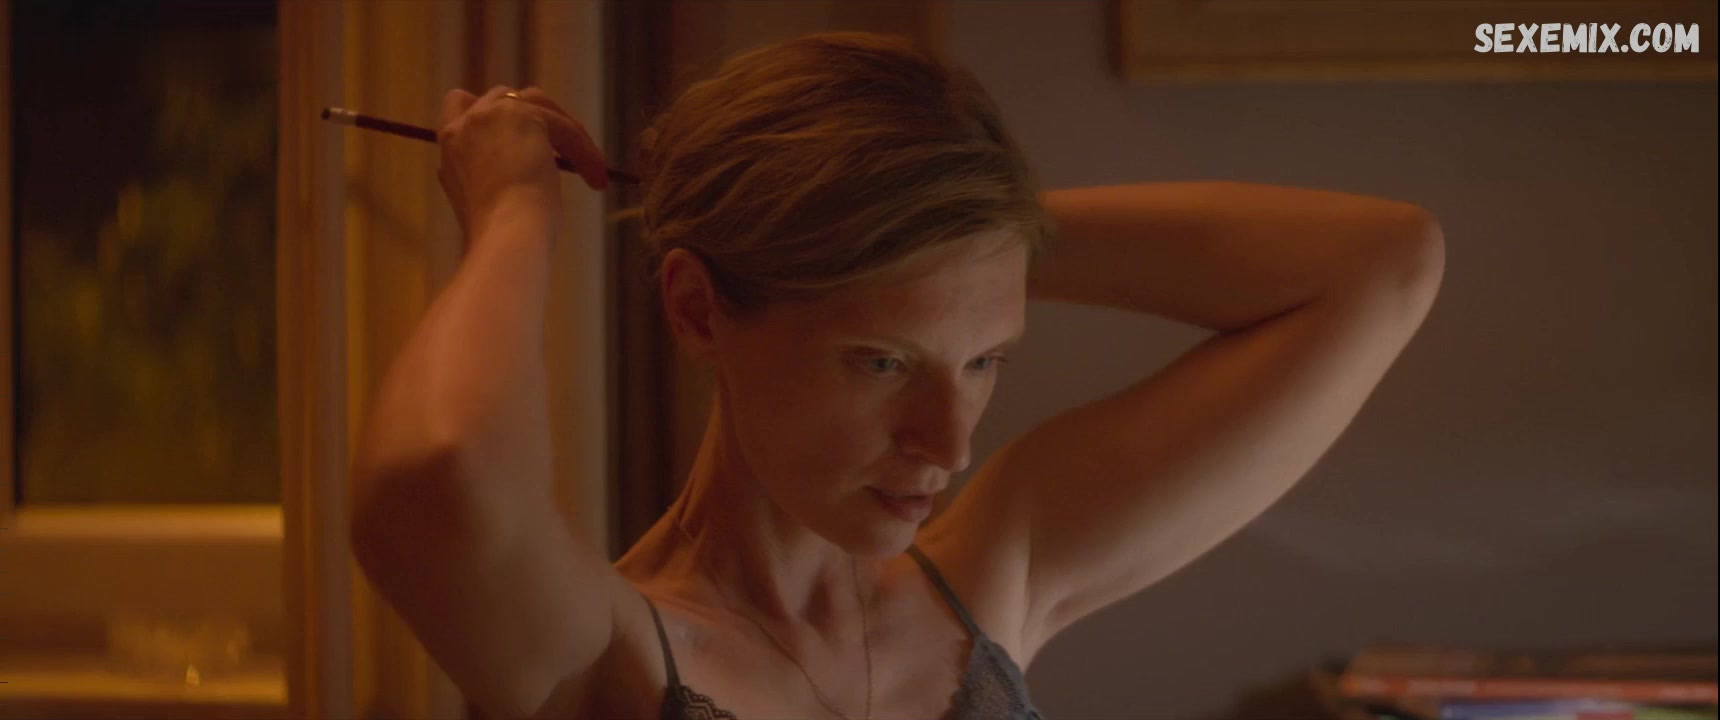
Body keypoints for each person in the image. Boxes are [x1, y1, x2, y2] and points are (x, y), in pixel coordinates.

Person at [349, 31, 1445, 720]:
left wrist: (966, 243)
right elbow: (438, 473)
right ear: (697, 309)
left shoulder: (995, 581)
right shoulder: (603, 659)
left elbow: (1381, 267)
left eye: (983, 361)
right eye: (882, 362)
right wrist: (514, 210)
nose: (948, 444)